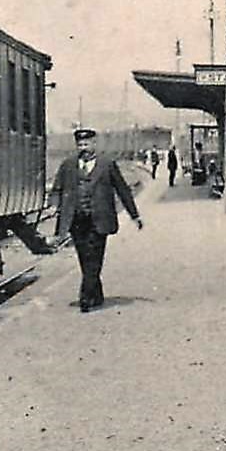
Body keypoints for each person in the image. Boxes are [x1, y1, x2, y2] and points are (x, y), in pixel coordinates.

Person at [50, 127, 142, 313]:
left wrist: (135, 215)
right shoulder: (68, 165)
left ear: (94, 143)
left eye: (86, 144)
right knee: (85, 258)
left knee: (95, 258)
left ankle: (85, 298)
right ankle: (97, 293)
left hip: (100, 219)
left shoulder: (107, 164)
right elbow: (57, 188)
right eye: (80, 144)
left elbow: (123, 189)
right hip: (76, 220)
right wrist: (54, 206)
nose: (83, 147)